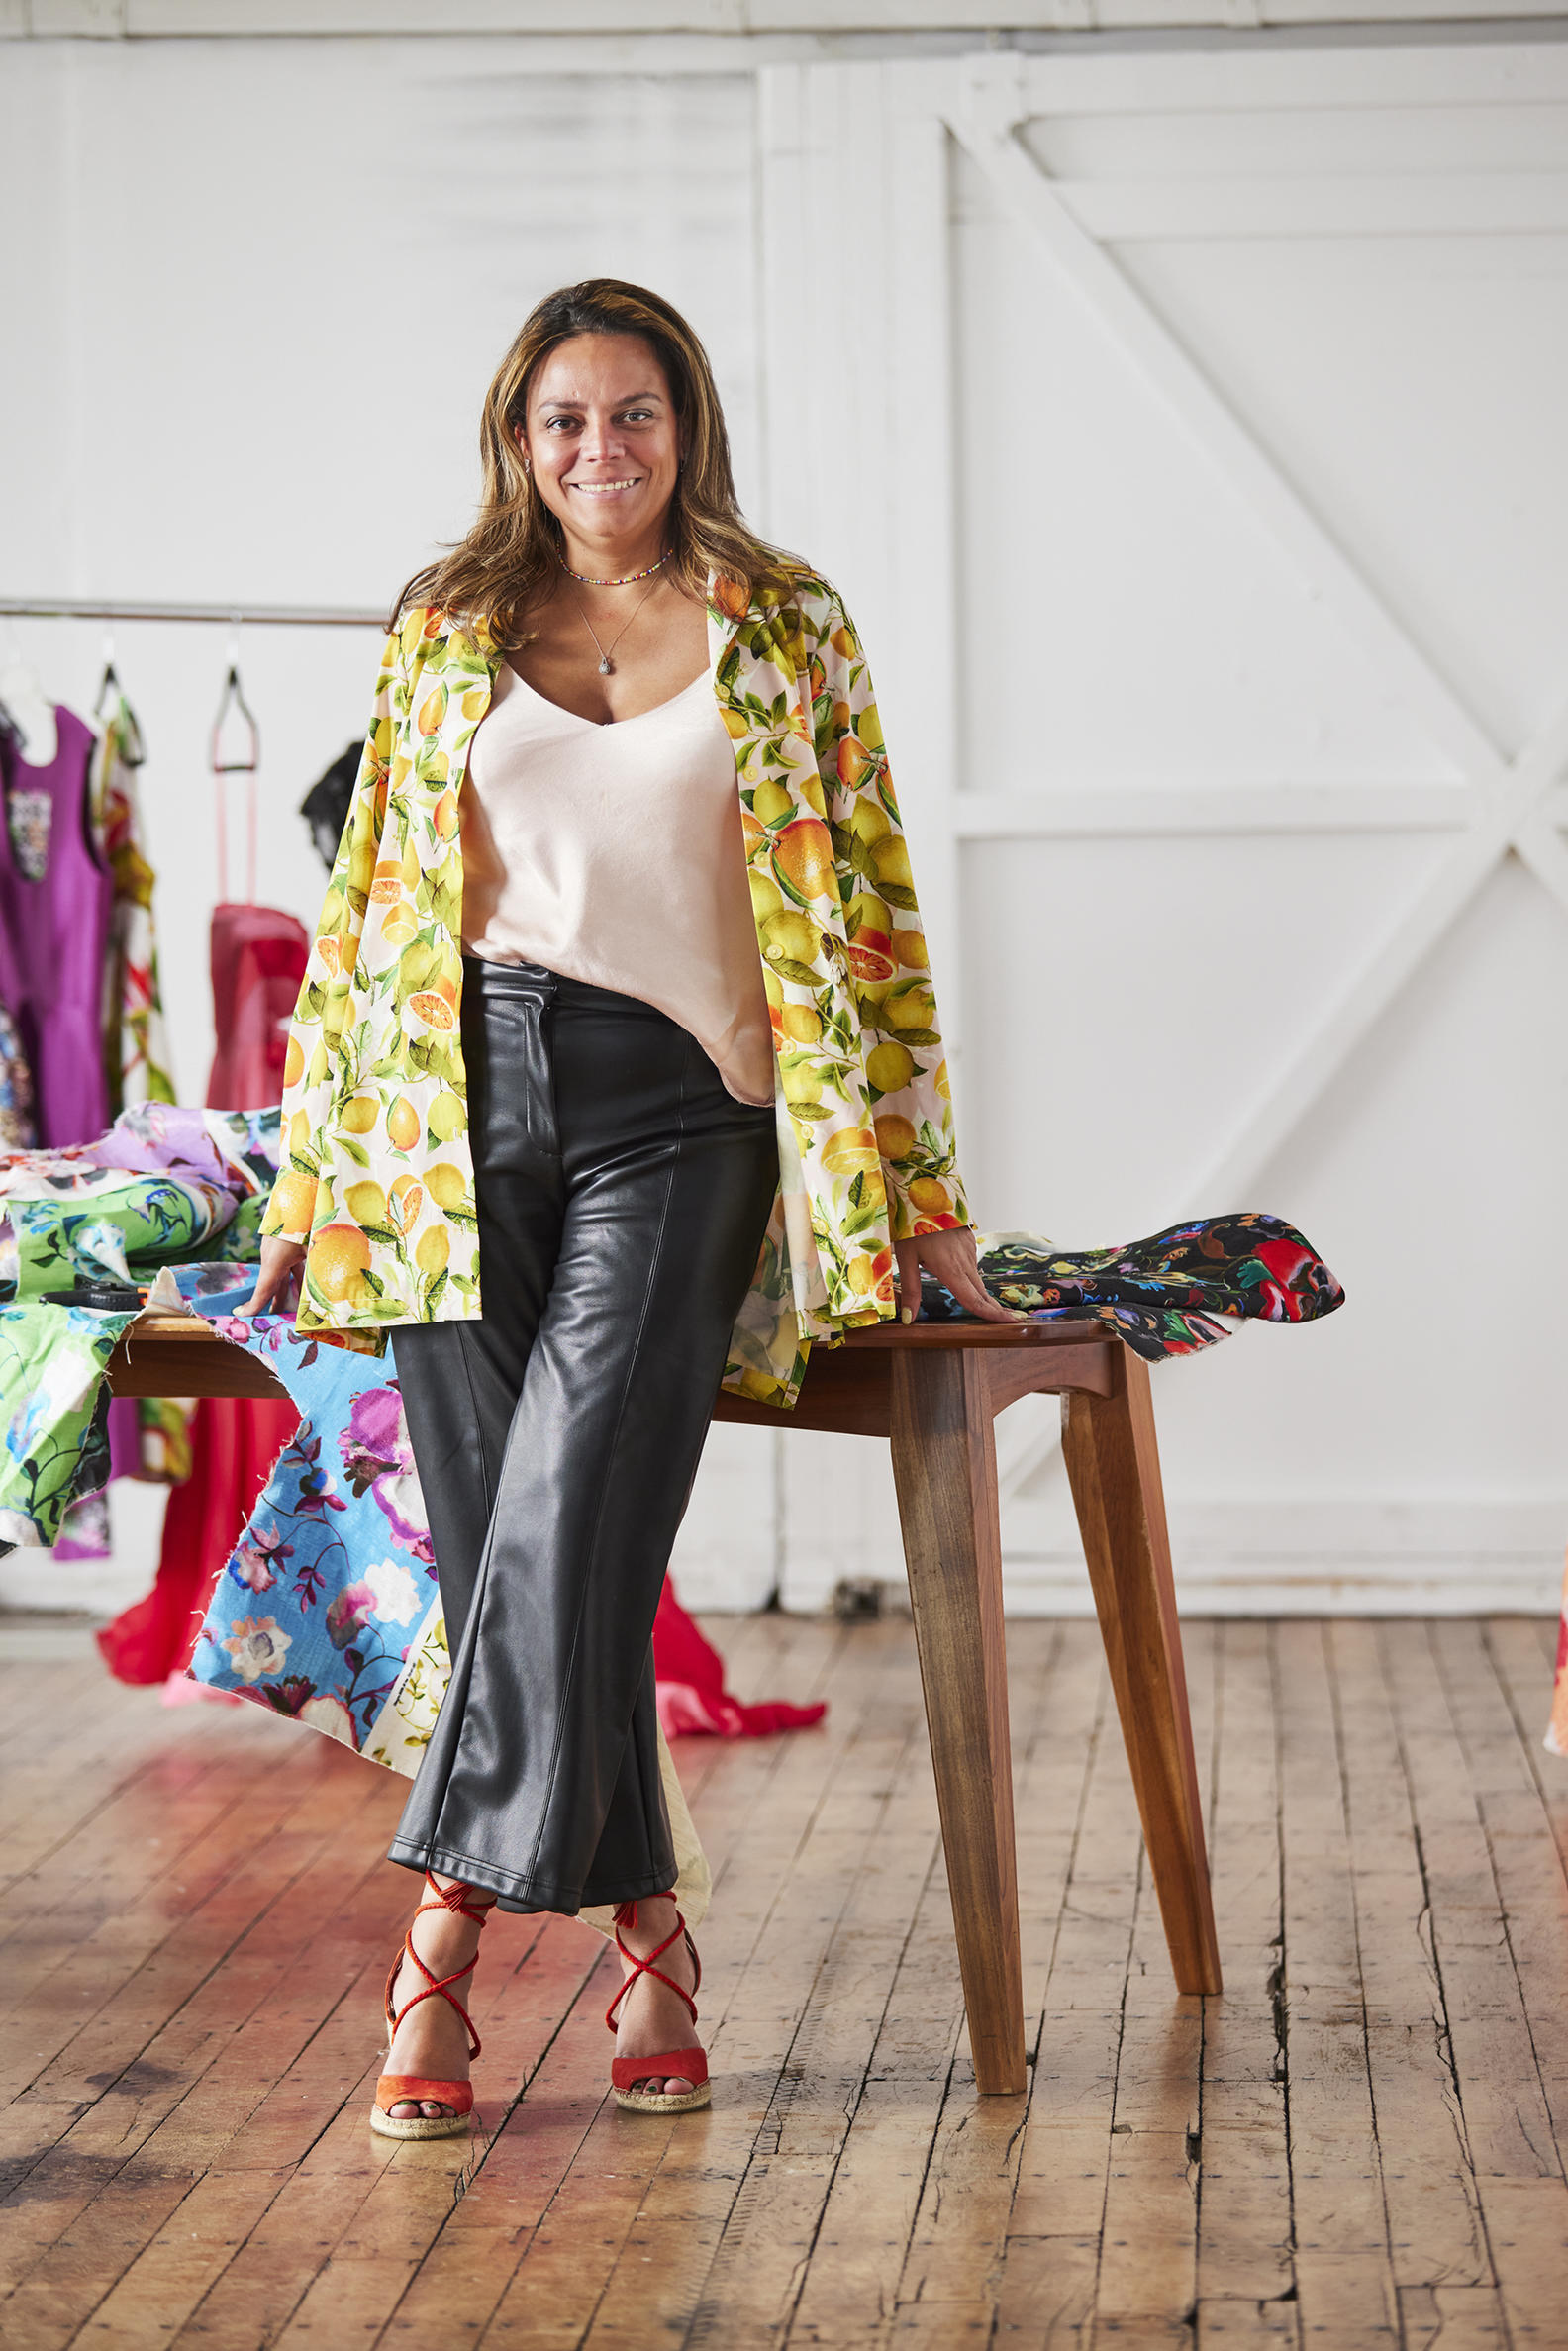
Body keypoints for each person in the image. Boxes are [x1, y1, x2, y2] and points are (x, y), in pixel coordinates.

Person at [244, 278, 1016, 2139]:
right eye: (565, 419)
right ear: (521, 441)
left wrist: (922, 1206)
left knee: (571, 1507)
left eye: (637, 413)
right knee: (533, 1551)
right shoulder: (444, 628)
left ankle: (436, 1941)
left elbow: (878, 927)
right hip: (450, 1126)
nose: (604, 450)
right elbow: (360, 942)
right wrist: (315, 1178)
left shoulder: (787, 630)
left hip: (687, 1118)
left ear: (690, 428)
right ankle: (650, 1926)